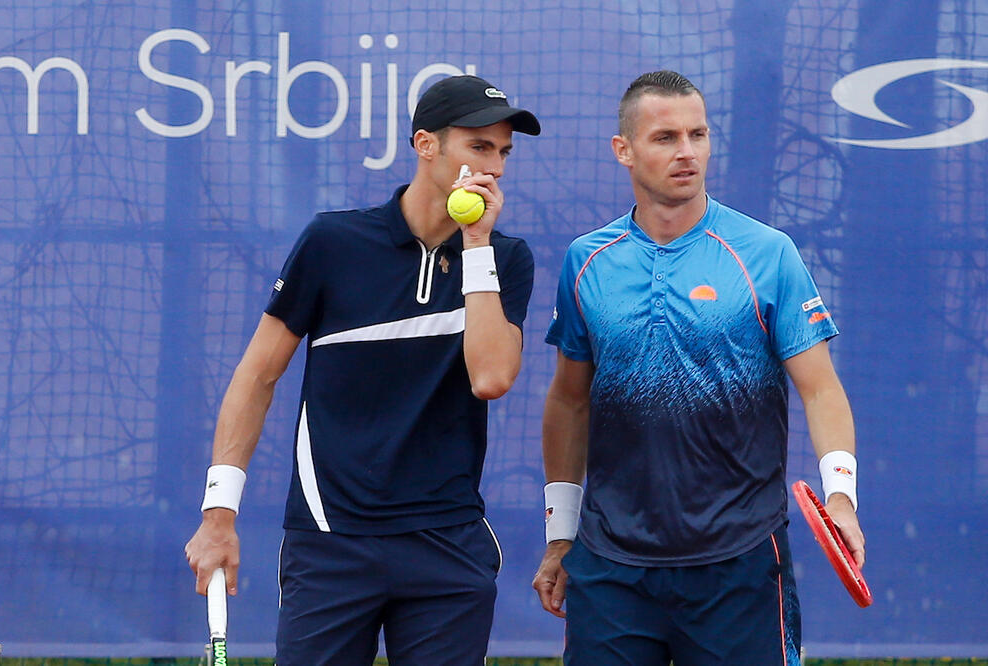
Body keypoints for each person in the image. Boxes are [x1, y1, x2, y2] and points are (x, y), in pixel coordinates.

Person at [185, 74, 540, 666]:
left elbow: (492, 379)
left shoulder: (506, 258)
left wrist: (476, 247)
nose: (495, 167)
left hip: (446, 545)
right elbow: (257, 376)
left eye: (503, 152)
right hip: (329, 545)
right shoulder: (333, 242)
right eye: (479, 147)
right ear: (427, 144)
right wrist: (219, 515)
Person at [531, 70, 865, 665]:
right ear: (624, 150)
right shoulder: (587, 261)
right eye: (665, 138)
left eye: (698, 134)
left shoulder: (768, 253)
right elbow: (569, 401)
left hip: (740, 563)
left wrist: (841, 496)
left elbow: (820, 390)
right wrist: (561, 535)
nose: (687, 152)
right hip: (610, 568)